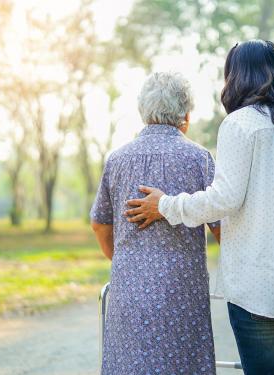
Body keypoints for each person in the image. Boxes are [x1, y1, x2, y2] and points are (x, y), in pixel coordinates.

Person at [125, 40, 274, 375]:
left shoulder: (241, 124)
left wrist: (166, 205)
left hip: (262, 283)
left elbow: (223, 199)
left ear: (236, 76)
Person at [90, 71, 220, 375]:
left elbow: (99, 224)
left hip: (128, 291)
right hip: (183, 292)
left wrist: (125, 261)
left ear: (142, 110)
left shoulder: (117, 160)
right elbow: (220, 227)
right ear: (185, 115)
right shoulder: (199, 159)